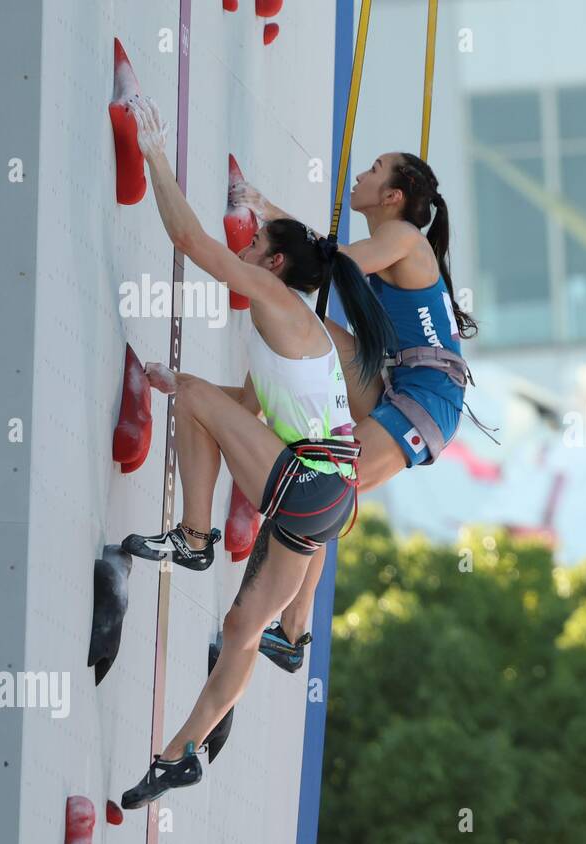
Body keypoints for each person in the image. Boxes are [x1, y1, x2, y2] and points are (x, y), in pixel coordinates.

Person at [116, 94, 397, 807]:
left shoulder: (275, 303)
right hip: (329, 500)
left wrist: (154, 152)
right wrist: (177, 386)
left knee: (196, 397)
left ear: (272, 263)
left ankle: (194, 536)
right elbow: (245, 409)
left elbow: (190, 244)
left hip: (312, 483)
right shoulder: (290, 326)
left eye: (251, 245)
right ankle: (180, 754)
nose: (240, 250)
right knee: (243, 628)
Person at [232, 152, 490, 667]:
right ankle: (242, 410)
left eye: (374, 170)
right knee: (310, 331)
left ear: (393, 197)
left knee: (327, 484)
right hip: (403, 381)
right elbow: (327, 261)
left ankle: (288, 627)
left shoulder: (403, 240)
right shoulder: (388, 243)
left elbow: (327, 266)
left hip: (425, 400)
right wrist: (271, 221)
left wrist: (269, 219)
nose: (361, 176)